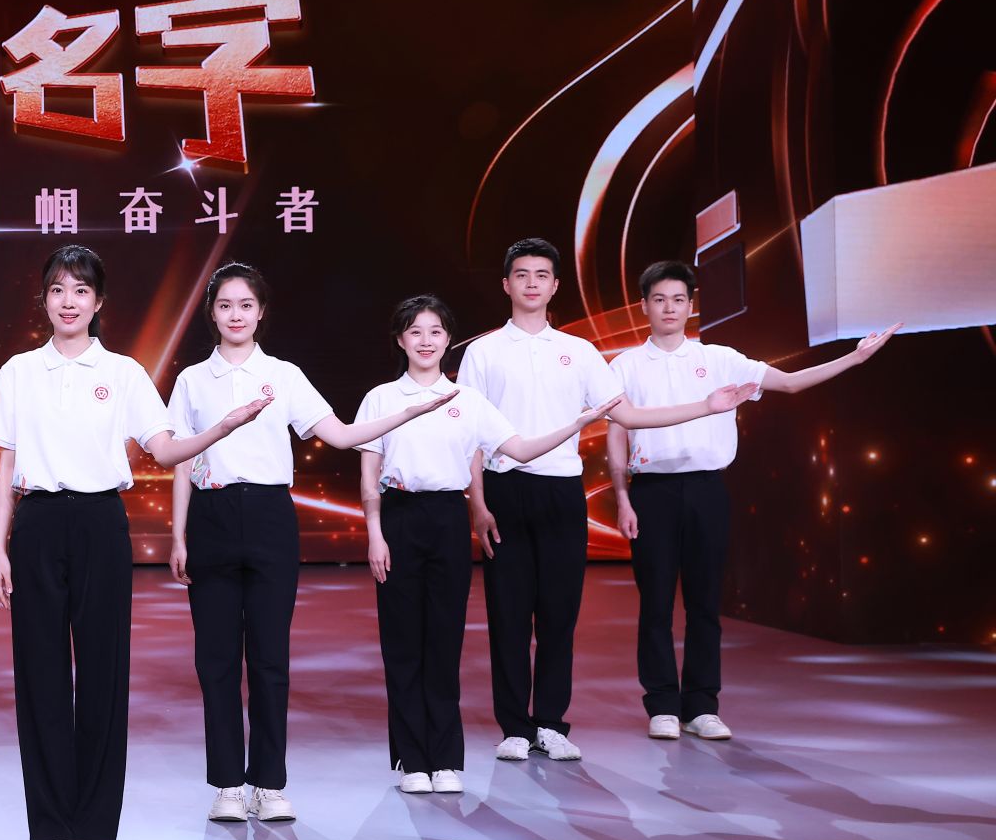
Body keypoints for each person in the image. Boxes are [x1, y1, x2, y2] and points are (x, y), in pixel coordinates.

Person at [0, 244, 271, 840]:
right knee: (40, 675)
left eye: (80, 291)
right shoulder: (19, 372)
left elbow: (164, 451)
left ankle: (94, 830)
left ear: (99, 302)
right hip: (37, 523)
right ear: (44, 299)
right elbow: (5, 463)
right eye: (58, 290)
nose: (68, 302)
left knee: (104, 673)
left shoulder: (124, 373)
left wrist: (221, 429)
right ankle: (52, 827)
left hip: (99, 522)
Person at [168, 263, 462, 824]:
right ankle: (227, 783)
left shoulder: (284, 375)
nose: (236, 315)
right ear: (212, 313)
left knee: (270, 657)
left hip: (271, 518)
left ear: (261, 312)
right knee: (216, 660)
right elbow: (182, 458)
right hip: (211, 516)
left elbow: (342, 435)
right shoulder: (192, 380)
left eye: (246, 305)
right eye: (225, 305)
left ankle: (268, 783)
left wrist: (405, 413)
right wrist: (178, 533)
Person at [462, 238, 752, 764]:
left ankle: (551, 724)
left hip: (561, 490)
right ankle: (515, 727)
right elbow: (472, 437)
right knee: (508, 615)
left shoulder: (579, 352)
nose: (532, 283)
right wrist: (478, 504)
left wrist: (705, 406)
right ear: (506, 284)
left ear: (555, 285)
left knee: (559, 615)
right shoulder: (482, 352)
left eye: (542, 275)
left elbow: (628, 415)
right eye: (522, 274)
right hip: (505, 490)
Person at [608, 260, 898, 742]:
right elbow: (617, 432)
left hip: (707, 489)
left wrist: (855, 358)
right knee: (655, 604)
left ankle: (702, 706)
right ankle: (661, 705)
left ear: (690, 305)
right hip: (651, 492)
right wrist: (622, 498)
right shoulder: (624, 365)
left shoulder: (720, 358)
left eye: (678, 300)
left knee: (704, 603)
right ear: (644, 306)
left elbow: (789, 382)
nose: (669, 308)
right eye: (659, 300)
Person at [359, 295, 621, 794]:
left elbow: (518, 449)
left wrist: (579, 423)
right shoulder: (381, 398)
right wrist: (375, 535)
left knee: (445, 641)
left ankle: (445, 761)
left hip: (447, 519)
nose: (426, 341)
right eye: (415, 332)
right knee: (402, 644)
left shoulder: (469, 401)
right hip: (398, 518)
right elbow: (369, 477)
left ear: (447, 340)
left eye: (436, 332)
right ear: (400, 340)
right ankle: (412, 761)